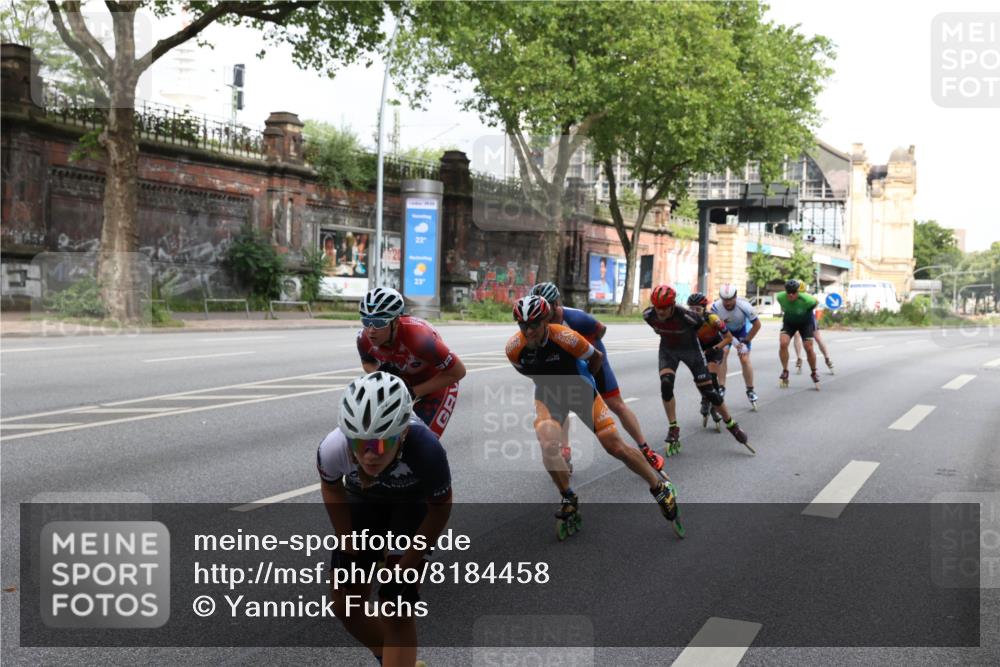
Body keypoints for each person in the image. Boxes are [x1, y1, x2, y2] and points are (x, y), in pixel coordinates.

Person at [505, 295, 682, 536]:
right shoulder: (514, 349)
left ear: (545, 321)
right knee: (547, 441)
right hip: (548, 393)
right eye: (522, 325)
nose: (529, 330)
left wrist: (589, 384)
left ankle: (659, 487)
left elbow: (596, 358)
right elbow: (529, 373)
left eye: (534, 324)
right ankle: (568, 497)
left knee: (614, 446)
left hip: (579, 389)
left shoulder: (565, 337)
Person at [317, 372, 449, 667]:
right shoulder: (333, 446)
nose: (368, 455)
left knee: (396, 607)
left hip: (411, 505)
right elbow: (331, 486)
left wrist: (405, 566)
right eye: (358, 443)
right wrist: (347, 542)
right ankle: (392, 658)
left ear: (402, 433)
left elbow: (440, 509)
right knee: (345, 607)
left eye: (379, 444)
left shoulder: (427, 450)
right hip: (364, 502)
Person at [530, 281, 664, 471]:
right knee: (562, 403)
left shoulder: (576, 318)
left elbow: (600, 331)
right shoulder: (538, 323)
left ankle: (645, 448)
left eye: (546, 307)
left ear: (556, 304)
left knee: (616, 404)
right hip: (567, 361)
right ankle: (565, 449)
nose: (541, 312)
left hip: (593, 358)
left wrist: (586, 353)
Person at [643, 284, 751, 456]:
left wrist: (715, 349)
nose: (660, 312)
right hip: (668, 350)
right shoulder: (648, 315)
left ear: (672, 305)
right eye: (657, 307)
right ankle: (673, 427)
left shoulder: (690, 317)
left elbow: (710, 334)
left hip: (691, 350)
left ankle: (732, 424)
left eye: (664, 308)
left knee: (709, 391)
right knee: (666, 384)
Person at [357, 287, 466, 436]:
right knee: (385, 437)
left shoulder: (420, 339)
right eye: (366, 321)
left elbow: (458, 372)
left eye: (379, 322)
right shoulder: (363, 339)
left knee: (422, 441)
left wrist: (412, 392)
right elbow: (367, 363)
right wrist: (381, 374)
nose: (370, 330)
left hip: (439, 382)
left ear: (395, 322)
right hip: (406, 381)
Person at [686, 292, 733, 430]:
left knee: (712, 379)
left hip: (714, 348)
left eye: (698, 310)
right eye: (691, 309)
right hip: (699, 350)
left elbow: (729, 338)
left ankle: (715, 406)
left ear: (704, 309)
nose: (694, 312)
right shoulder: (687, 321)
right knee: (700, 380)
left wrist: (714, 348)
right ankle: (705, 399)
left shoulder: (713, 319)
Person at [712, 283, 762, 408]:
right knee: (722, 353)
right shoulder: (716, 307)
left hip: (742, 330)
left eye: (730, 299)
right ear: (721, 298)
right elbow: (714, 327)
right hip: (724, 331)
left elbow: (757, 325)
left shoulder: (745, 306)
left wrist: (746, 341)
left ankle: (750, 389)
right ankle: (722, 386)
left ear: (735, 297)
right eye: (725, 300)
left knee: (744, 358)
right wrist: (730, 339)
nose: (727, 302)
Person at [777, 279, 821, 388]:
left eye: (794, 292)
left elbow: (816, 303)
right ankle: (785, 370)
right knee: (783, 343)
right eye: (789, 292)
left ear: (798, 292)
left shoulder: (808, 300)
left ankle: (814, 372)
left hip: (805, 323)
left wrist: (806, 312)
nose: (791, 295)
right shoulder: (780, 297)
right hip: (790, 322)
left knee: (809, 348)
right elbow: (783, 306)